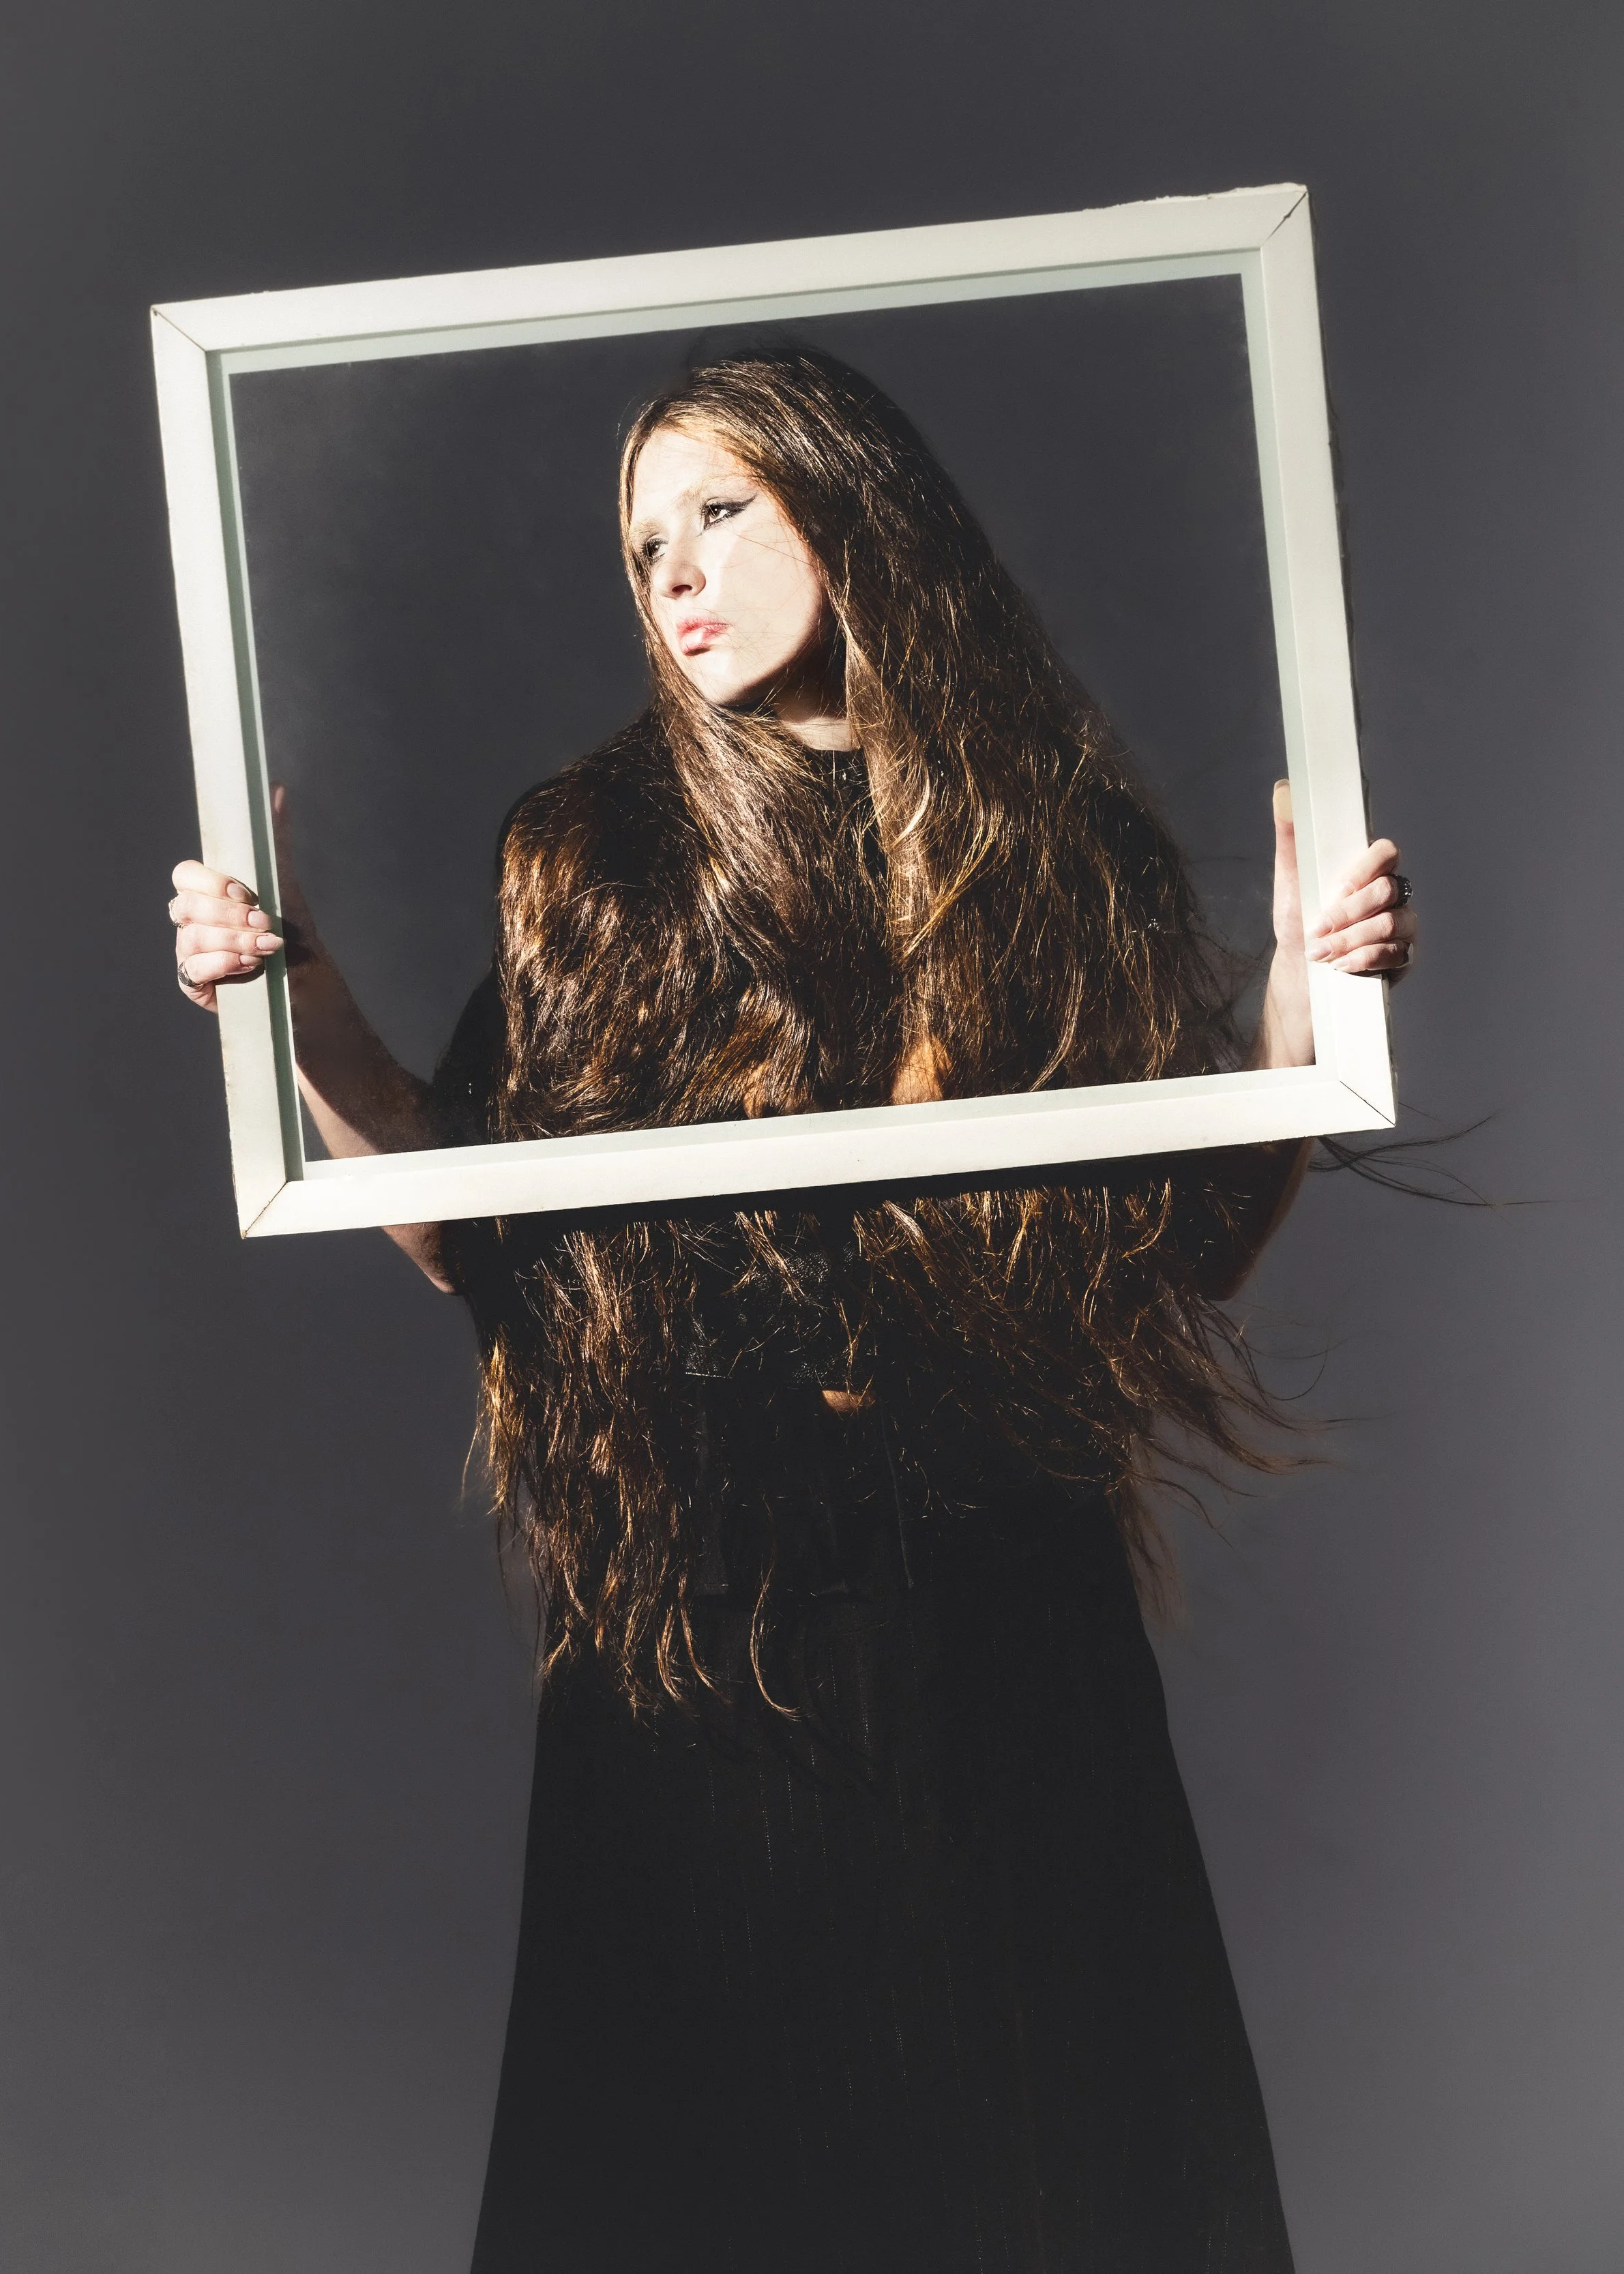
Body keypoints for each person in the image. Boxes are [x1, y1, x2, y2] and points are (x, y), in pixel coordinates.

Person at [168, 349, 1417, 2274]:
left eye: (720, 511)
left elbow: (1176, 1252)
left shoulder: (1036, 847)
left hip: (1003, 1646)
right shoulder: (593, 855)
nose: (672, 571)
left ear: (850, 502)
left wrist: (1295, 1025)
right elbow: (469, 1220)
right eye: (640, 540)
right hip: (701, 1660)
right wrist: (294, 999)